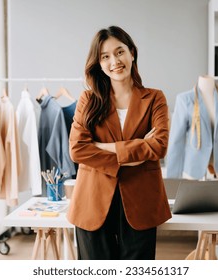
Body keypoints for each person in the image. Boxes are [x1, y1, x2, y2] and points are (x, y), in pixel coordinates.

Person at [67, 26, 171, 260]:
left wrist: (101, 147)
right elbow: (77, 149)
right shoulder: (88, 99)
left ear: (132, 53)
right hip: (92, 201)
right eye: (105, 56)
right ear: (99, 63)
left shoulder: (155, 98)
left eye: (119, 52)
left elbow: (159, 146)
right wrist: (135, 152)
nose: (114, 60)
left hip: (141, 202)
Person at [166, 75, 218, 180]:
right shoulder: (184, 99)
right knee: (194, 196)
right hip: (194, 167)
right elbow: (176, 140)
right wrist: (173, 173)